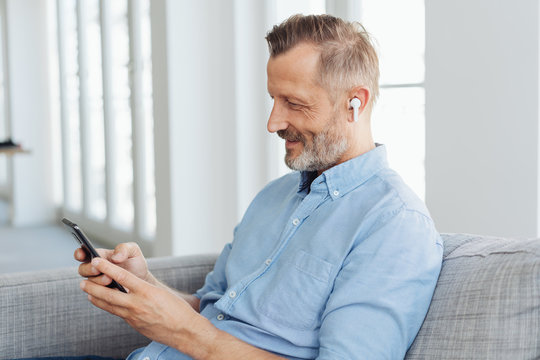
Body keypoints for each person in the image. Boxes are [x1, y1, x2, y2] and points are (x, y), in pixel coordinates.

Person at [76, 14, 443, 360]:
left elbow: (195, 331)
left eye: (294, 103)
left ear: (354, 103)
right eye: (273, 99)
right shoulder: (274, 197)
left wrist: (186, 334)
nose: (273, 122)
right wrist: (145, 282)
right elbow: (211, 311)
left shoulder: (394, 225)